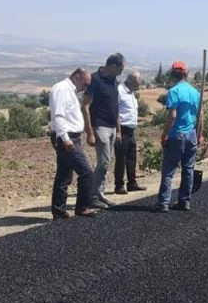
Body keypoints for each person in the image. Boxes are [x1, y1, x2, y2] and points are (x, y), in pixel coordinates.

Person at [49, 68, 99, 219]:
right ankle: (82, 207)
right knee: (86, 172)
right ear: (77, 77)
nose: (86, 87)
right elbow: (58, 116)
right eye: (85, 83)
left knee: (64, 175)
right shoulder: (62, 89)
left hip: (72, 137)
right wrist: (65, 139)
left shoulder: (70, 90)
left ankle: (59, 211)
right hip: (67, 138)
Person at [155, 61, 201, 213]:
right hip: (192, 135)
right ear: (186, 74)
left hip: (177, 135)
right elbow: (200, 116)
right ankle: (184, 201)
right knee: (188, 169)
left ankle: (163, 203)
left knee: (169, 170)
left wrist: (164, 134)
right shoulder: (195, 93)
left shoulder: (173, 91)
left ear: (172, 74)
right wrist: (199, 134)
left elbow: (172, 116)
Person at [82, 53, 124, 209]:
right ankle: (92, 196)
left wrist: (118, 130)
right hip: (100, 126)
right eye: (120, 68)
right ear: (113, 66)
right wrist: (89, 132)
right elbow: (85, 106)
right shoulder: (95, 80)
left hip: (112, 127)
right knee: (103, 163)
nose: (121, 72)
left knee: (106, 163)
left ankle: (99, 194)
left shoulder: (114, 81)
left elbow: (115, 107)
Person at [114, 71, 147, 194]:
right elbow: (115, 112)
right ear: (131, 81)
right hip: (122, 129)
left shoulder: (131, 93)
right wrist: (118, 131)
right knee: (121, 159)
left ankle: (132, 183)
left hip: (131, 130)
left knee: (132, 157)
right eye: (138, 82)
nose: (139, 85)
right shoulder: (119, 91)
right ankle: (119, 185)